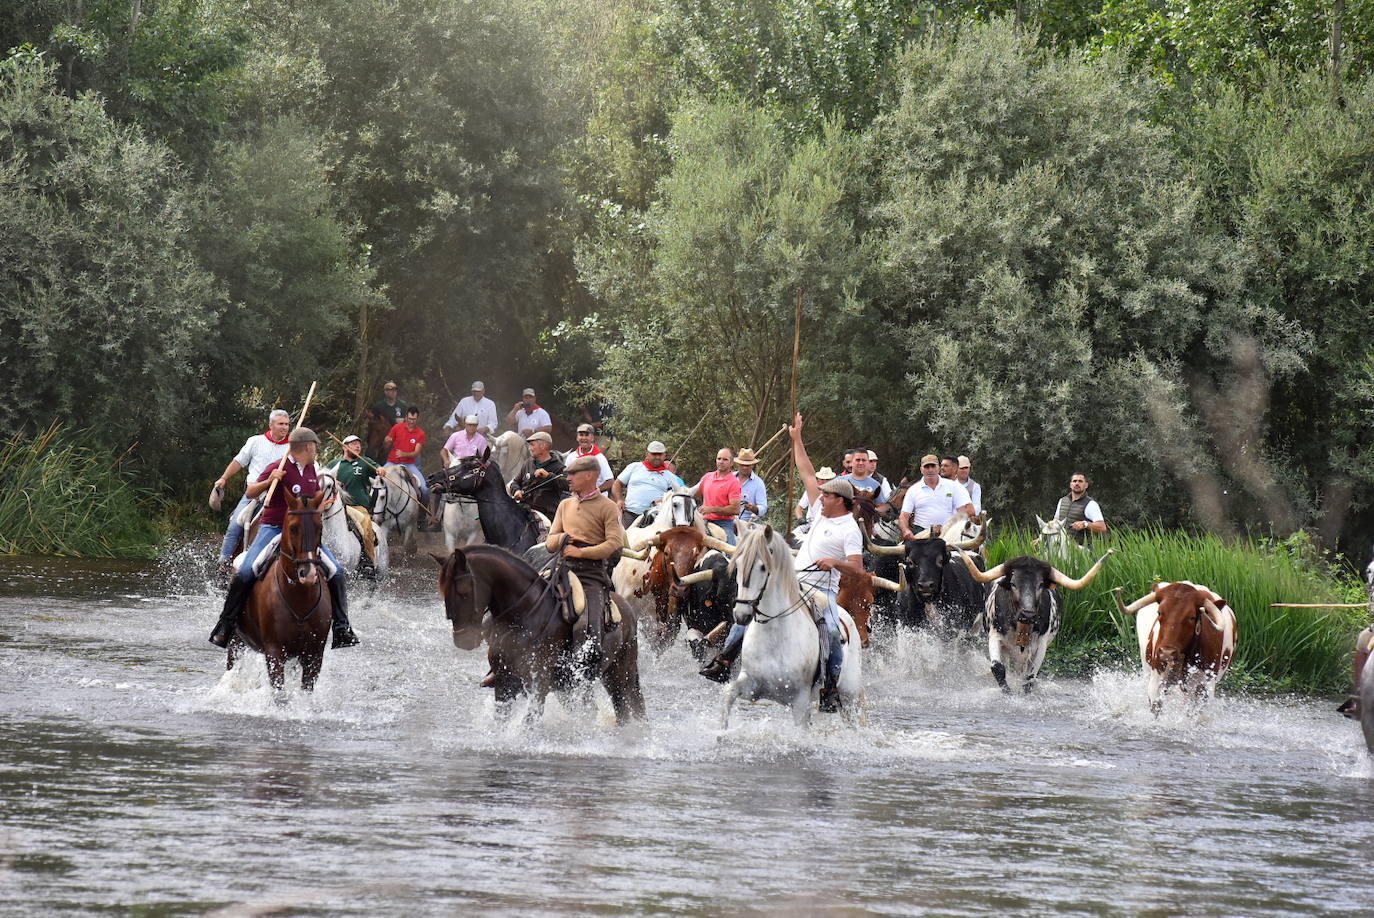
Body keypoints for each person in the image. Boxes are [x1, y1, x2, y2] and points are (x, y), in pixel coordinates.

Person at [701, 414, 862, 713]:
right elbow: (807, 473)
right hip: (796, 581)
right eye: (822, 494)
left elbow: (858, 568)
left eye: (826, 494)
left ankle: (828, 686)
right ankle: (725, 660)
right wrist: (797, 439)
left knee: (830, 631)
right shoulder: (820, 511)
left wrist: (835, 562)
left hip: (822, 589)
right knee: (750, 608)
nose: (820, 495)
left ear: (839, 499)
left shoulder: (849, 528)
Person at [209, 427, 358, 649]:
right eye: (315, 446)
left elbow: (314, 501)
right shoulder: (278, 467)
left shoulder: (311, 470)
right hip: (273, 528)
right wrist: (270, 481)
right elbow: (250, 492)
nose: (316, 450)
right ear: (308, 446)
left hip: (303, 534)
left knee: (337, 571)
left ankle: (341, 627)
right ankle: (226, 624)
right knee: (247, 570)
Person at [546, 455, 625, 671]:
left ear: (589, 475)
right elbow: (550, 540)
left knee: (589, 626)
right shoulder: (565, 504)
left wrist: (582, 553)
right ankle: (504, 662)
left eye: (573, 474)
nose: (568, 478)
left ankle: (587, 668)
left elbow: (614, 544)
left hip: (591, 574)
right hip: (560, 567)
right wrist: (561, 539)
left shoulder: (608, 507)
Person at [213, 409, 291, 571]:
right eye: (281, 424)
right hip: (255, 494)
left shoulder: (292, 447)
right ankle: (224, 561)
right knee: (235, 524)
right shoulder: (255, 441)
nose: (284, 427)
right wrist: (224, 478)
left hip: (281, 496)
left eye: (287, 424)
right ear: (271, 425)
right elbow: (238, 462)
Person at [324, 435, 386, 565]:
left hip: (358, 507)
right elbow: (325, 480)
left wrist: (380, 469)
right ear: (344, 447)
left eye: (359, 444)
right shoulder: (334, 464)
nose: (358, 446)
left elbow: (378, 469)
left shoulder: (365, 461)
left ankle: (369, 561)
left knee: (366, 527)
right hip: (336, 507)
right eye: (353, 444)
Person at [899, 454, 974, 539]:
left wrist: (957, 528)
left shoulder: (953, 487)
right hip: (921, 535)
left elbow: (963, 512)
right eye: (926, 467)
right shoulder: (913, 490)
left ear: (938, 468)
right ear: (921, 470)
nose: (930, 470)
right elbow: (904, 515)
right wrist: (906, 530)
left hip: (948, 534)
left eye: (933, 466)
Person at [613, 440, 684, 528]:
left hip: (656, 518)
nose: (657, 457)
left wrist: (665, 501)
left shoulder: (670, 476)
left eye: (660, 454)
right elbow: (617, 484)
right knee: (623, 539)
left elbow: (678, 496)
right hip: (630, 514)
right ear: (647, 454)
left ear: (664, 455)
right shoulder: (635, 467)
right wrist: (619, 500)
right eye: (654, 454)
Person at [512, 431, 568, 520]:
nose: (530, 448)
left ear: (543, 446)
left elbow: (568, 485)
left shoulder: (559, 467)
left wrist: (548, 476)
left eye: (532, 445)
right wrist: (516, 491)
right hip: (523, 510)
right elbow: (515, 482)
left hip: (545, 516)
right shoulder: (528, 463)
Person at [692, 447, 743, 544]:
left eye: (725, 459)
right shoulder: (707, 477)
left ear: (731, 463)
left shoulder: (733, 482)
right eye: (719, 459)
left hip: (723, 524)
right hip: (703, 521)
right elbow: (693, 494)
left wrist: (711, 509)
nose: (721, 462)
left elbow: (735, 509)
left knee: (730, 553)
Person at [383, 407, 429, 503]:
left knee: (424, 488)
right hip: (392, 462)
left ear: (417, 419)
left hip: (409, 464)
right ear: (406, 417)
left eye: (414, 419)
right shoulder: (397, 427)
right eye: (410, 419)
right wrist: (386, 440)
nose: (411, 421)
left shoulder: (421, 433)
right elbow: (388, 440)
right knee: (377, 480)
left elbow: (416, 452)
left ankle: (423, 513)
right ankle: (372, 508)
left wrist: (404, 454)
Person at [1052, 472, 1107, 543]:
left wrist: (1085, 524)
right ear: (1070, 484)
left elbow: (1102, 527)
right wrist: (1041, 539)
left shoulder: (1091, 504)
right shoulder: (1062, 501)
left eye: (1080, 481)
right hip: (1060, 546)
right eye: (1074, 481)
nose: (1077, 483)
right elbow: (1055, 523)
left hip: (1080, 549)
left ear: (1086, 485)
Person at [841, 447, 893, 513]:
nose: (861, 463)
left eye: (864, 460)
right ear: (852, 462)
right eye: (858, 460)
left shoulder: (877, 483)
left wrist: (873, 511)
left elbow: (883, 506)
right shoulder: (840, 481)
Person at [569, 423, 613, 494]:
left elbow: (610, 481)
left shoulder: (599, 458)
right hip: (577, 498)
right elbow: (567, 477)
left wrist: (593, 492)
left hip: (597, 499)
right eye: (581, 435)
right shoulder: (571, 457)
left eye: (587, 435)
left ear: (592, 438)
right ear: (577, 438)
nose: (583, 438)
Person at [735, 448, 768, 525]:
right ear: (738, 464)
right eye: (742, 465)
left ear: (752, 465)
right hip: (727, 520)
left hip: (748, 524)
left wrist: (753, 508)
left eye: (747, 465)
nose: (745, 467)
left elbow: (763, 507)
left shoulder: (758, 483)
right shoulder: (729, 478)